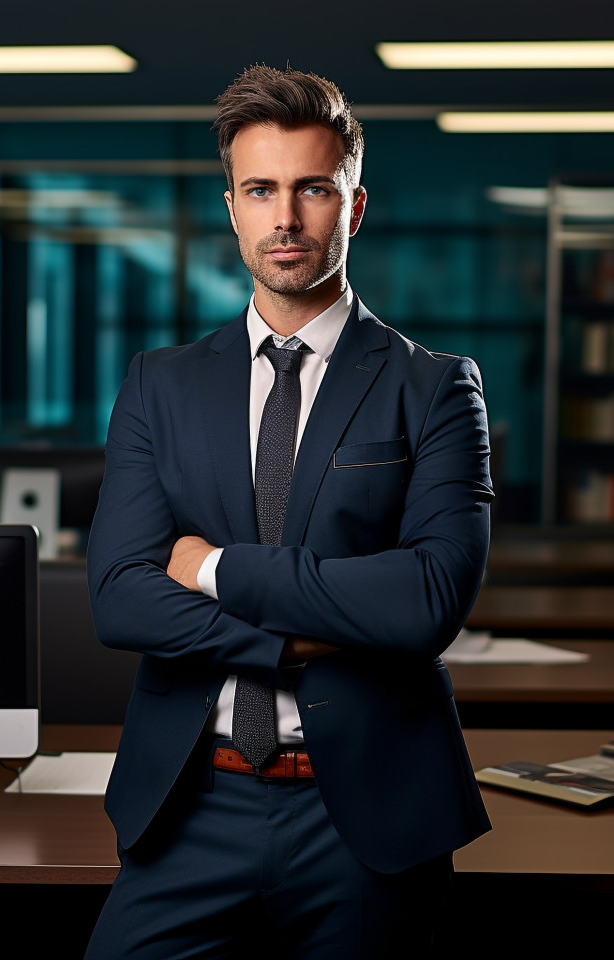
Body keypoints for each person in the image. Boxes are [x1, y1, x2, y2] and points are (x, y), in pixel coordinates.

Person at [84, 63, 494, 959]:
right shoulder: (161, 384)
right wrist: (305, 631)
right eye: (260, 190)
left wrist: (216, 570)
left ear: (352, 205)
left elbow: (426, 601)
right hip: (190, 804)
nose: (285, 218)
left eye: (313, 188)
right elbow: (119, 597)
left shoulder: (434, 391)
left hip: (365, 817)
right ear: (230, 206)